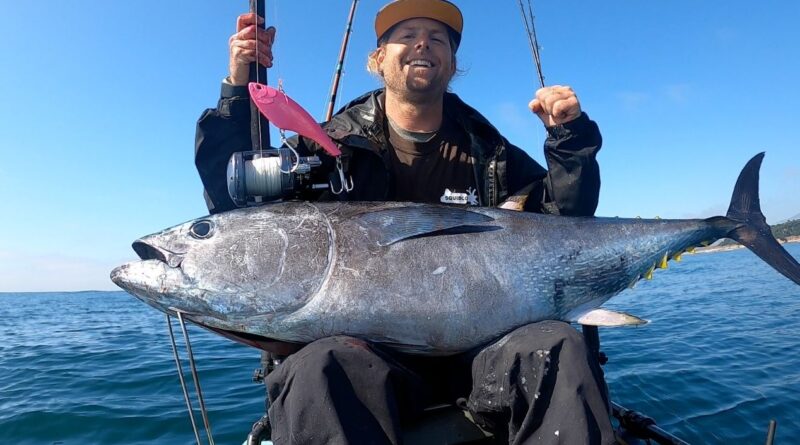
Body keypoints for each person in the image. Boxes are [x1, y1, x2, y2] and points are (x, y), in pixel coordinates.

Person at [195, 1, 614, 444]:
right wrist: (238, 89)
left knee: (558, 345)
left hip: (485, 352)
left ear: (453, 64)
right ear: (377, 59)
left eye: (438, 39)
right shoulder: (324, 149)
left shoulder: (491, 151)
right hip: (369, 358)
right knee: (321, 366)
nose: (422, 44)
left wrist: (570, 141)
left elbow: (563, 225)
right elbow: (237, 214)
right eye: (406, 34)